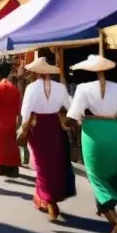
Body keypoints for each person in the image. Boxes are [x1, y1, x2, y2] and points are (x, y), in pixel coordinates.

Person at [66, 54, 117, 233]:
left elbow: (73, 115)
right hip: (114, 132)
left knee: (96, 177)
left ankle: (115, 221)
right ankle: (102, 207)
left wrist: (69, 126)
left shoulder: (82, 88)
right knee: (111, 173)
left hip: (92, 133)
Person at [19, 54, 75, 222]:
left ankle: (50, 202)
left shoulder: (31, 88)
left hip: (37, 126)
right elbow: (70, 106)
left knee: (42, 164)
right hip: (54, 125)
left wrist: (23, 128)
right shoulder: (60, 87)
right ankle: (43, 198)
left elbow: (25, 112)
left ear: (35, 73)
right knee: (52, 163)